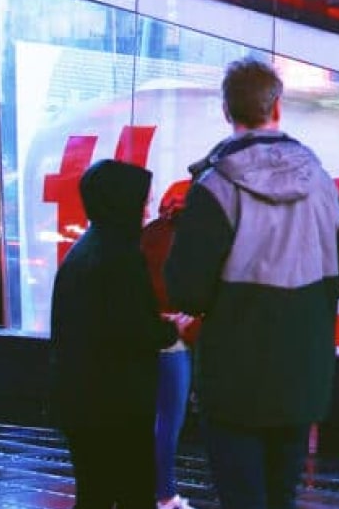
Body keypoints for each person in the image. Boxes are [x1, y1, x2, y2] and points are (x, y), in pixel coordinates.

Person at [164, 59, 339, 509]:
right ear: (278, 109)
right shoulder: (323, 183)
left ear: (227, 111)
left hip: (235, 382)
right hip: (302, 379)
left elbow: (187, 292)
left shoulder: (214, 187)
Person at [52, 160, 179, 509]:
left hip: (83, 400)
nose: (147, 209)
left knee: (94, 494)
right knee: (133, 493)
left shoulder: (84, 251)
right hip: (118, 405)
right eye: (142, 201)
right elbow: (134, 330)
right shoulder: (122, 257)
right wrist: (171, 329)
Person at [139, 185, 200, 509]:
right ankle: (165, 493)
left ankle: (154, 489)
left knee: (153, 419)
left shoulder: (150, 234)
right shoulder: (193, 239)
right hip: (174, 339)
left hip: (148, 337)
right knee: (168, 420)